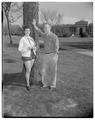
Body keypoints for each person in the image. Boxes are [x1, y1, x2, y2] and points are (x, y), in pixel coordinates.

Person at [32, 19, 59, 90]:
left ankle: (52, 85)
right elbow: (39, 31)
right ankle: (45, 83)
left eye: (47, 27)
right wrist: (34, 25)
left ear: (50, 28)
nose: (45, 29)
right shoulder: (44, 35)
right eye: (45, 28)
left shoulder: (54, 36)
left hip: (53, 55)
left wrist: (55, 56)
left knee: (53, 71)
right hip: (45, 55)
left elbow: (57, 46)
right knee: (43, 70)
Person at [18, 26, 36, 91]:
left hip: (33, 55)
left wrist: (34, 48)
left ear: (30, 31)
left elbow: (34, 46)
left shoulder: (31, 38)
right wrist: (26, 49)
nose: (27, 32)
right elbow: (19, 49)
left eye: (28, 31)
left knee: (30, 70)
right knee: (28, 70)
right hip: (26, 55)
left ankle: (29, 81)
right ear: (24, 31)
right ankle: (28, 84)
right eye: (26, 31)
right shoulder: (22, 39)